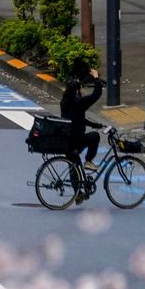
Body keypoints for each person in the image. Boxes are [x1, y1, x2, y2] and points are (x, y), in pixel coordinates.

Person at [60, 68, 105, 201]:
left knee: (73, 165)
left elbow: (78, 118)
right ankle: (89, 161)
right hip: (76, 139)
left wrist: (95, 125)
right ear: (77, 91)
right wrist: (96, 78)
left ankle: (78, 193)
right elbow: (95, 95)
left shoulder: (65, 102)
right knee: (94, 137)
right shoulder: (78, 102)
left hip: (66, 139)